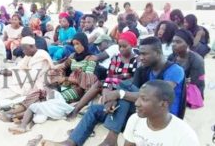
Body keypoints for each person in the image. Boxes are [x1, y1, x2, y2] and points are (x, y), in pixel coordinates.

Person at [41, 36, 185, 146]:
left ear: (159, 52)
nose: (141, 57)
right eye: (140, 54)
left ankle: (111, 138)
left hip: (159, 118)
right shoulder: (143, 68)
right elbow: (129, 87)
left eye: (145, 54)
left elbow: (156, 96)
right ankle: (70, 143)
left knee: (123, 92)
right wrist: (115, 98)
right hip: (138, 113)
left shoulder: (174, 70)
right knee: (95, 110)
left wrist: (119, 94)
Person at [68, 31, 139, 119]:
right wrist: (106, 91)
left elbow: (133, 79)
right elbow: (109, 75)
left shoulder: (136, 60)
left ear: (133, 45)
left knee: (106, 86)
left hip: (125, 87)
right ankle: (77, 109)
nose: (121, 49)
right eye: (120, 46)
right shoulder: (116, 58)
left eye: (125, 46)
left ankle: (96, 113)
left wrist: (114, 81)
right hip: (112, 83)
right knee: (99, 84)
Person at [123, 80, 200, 146]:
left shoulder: (185, 136)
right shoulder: (135, 119)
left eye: (144, 99)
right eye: (138, 97)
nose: (137, 103)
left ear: (163, 104)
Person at [168, 29, 205, 99]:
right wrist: (183, 80)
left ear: (188, 44)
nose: (173, 44)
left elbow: (194, 83)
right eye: (173, 41)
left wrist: (176, 81)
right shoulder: (172, 57)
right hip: (175, 88)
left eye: (178, 42)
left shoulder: (196, 60)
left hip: (193, 93)